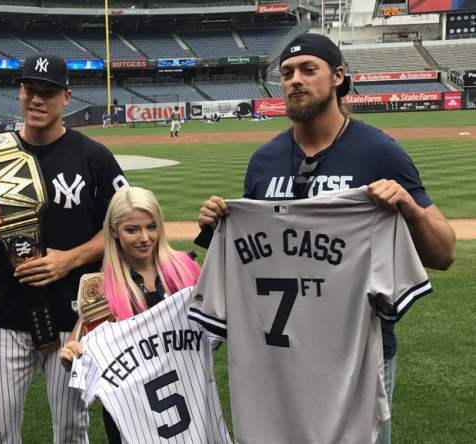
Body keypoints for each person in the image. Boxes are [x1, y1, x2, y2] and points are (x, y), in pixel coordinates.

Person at [195, 33, 455, 444]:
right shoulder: (264, 161)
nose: (295, 80)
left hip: (357, 355)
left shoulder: (379, 152)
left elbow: (444, 253)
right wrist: (219, 221)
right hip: (276, 357)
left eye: (307, 70)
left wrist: (408, 206)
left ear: (337, 77)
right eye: (286, 73)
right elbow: (256, 251)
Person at [0, 52, 128, 444]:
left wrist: (68, 259)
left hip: (74, 318)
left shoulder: (94, 158)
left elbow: (124, 229)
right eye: (29, 90)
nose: (37, 100)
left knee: (72, 430)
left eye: (48, 92)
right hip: (7, 312)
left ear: (66, 97)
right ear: (20, 92)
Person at [60, 186, 201, 443]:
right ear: (113, 231)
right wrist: (72, 357)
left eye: (151, 226)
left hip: (189, 400)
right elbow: (80, 354)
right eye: (132, 229)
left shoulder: (186, 269)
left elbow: (209, 338)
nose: (145, 237)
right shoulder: (100, 289)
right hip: (130, 414)